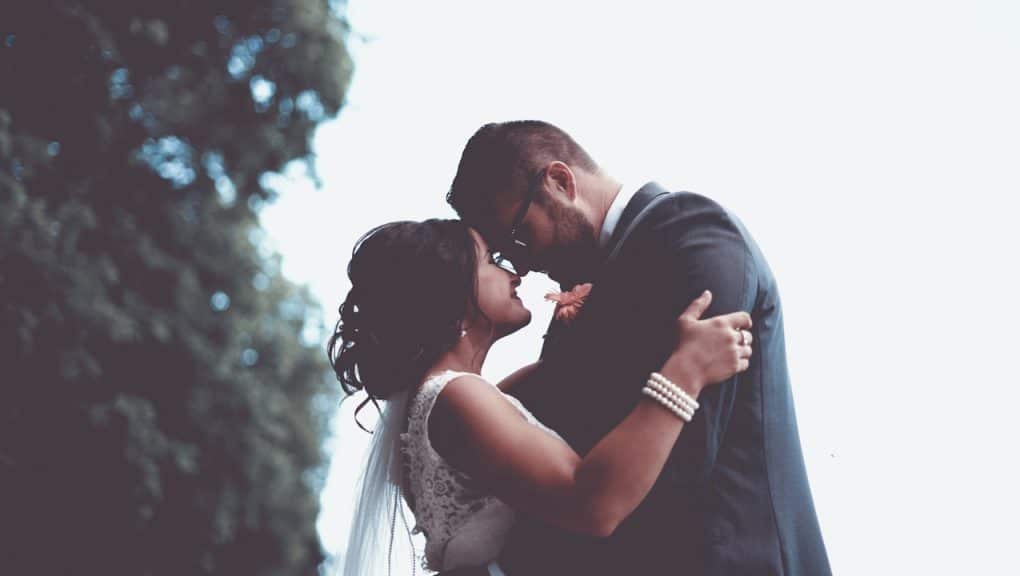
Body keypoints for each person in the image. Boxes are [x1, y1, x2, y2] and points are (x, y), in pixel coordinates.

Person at [445, 120, 831, 575]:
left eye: (520, 238)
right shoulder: (593, 284)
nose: (524, 266)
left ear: (560, 181)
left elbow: (679, 464)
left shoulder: (692, 234)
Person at [328, 219, 754, 576]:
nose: (515, 274)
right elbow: (593, 506)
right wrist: (687, 371)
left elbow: (551, 378)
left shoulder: (456, 399)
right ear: (452, 293)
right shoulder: (457, 397)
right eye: (490, 262)